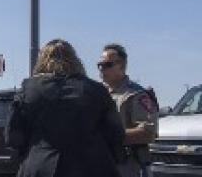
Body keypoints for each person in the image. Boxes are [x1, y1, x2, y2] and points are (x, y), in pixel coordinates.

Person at [8, 39, 124, 177]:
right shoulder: (97, 90)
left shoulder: (29, 89)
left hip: (40, 166)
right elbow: (116, 133)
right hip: (91, 167)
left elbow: (13, 136)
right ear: (75, 60)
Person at [99, 43, 158, 177]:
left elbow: (148, 132)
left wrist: (109, 136)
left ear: (121, 65)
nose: (102, 69)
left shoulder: (137, 95)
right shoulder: (98, 93)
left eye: (107, 65)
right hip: (102, 162)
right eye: (100, 65)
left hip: (126, 165)